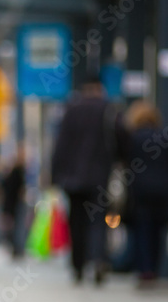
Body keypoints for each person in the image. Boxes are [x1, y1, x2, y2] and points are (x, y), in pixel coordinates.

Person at [50, 80, 125, 284]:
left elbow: (60, 145)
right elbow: (121, 139)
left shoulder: (71, 110)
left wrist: (55, 176)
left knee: (76, 222)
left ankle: (78, 266)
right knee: (98, 220)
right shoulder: (109, 111)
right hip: (100, 177)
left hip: (73, 180)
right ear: (100, 89)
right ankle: (98, 259)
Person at [122, 100, 168, 286]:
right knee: (158, 232)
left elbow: (125, 166)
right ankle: (154, 269)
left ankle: (145, 270)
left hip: (140, 192)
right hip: (163, 192)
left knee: (142, 231)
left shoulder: (132, 138)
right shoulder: (165, 137)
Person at [0, 146, 27, 259]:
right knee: (17, 227)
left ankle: (16, 248)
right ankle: (17, 248)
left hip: (11, 204)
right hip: (15, 204)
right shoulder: (18, 173)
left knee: (14, 227)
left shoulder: (13, 173)